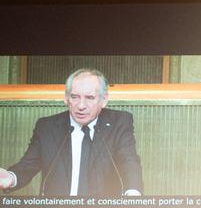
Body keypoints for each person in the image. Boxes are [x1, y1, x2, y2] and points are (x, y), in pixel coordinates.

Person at [0, 69, 143, 197]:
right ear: (66, 98)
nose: (81, 106)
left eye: (89, 98)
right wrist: (10, 178)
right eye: (75, 97)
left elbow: (129, 161)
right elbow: (28, 165)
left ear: (103, 100)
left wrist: (133, 195)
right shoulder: (47, 127)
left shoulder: (119, 122)